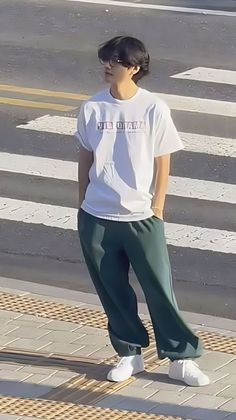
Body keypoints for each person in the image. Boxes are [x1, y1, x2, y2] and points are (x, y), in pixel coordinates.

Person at [75, 36, 210, 387]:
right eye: (105, 60)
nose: (108, 66)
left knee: (158, 289)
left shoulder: (153, 107)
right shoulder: (92, 107)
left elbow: (163, 158)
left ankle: (181, 357)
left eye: (115, 61)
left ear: (134, 67)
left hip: (142, 216)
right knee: (112, 289)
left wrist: (158, 205)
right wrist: (82, 203)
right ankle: (129, 354)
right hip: (97, 216)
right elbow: (86, 156)